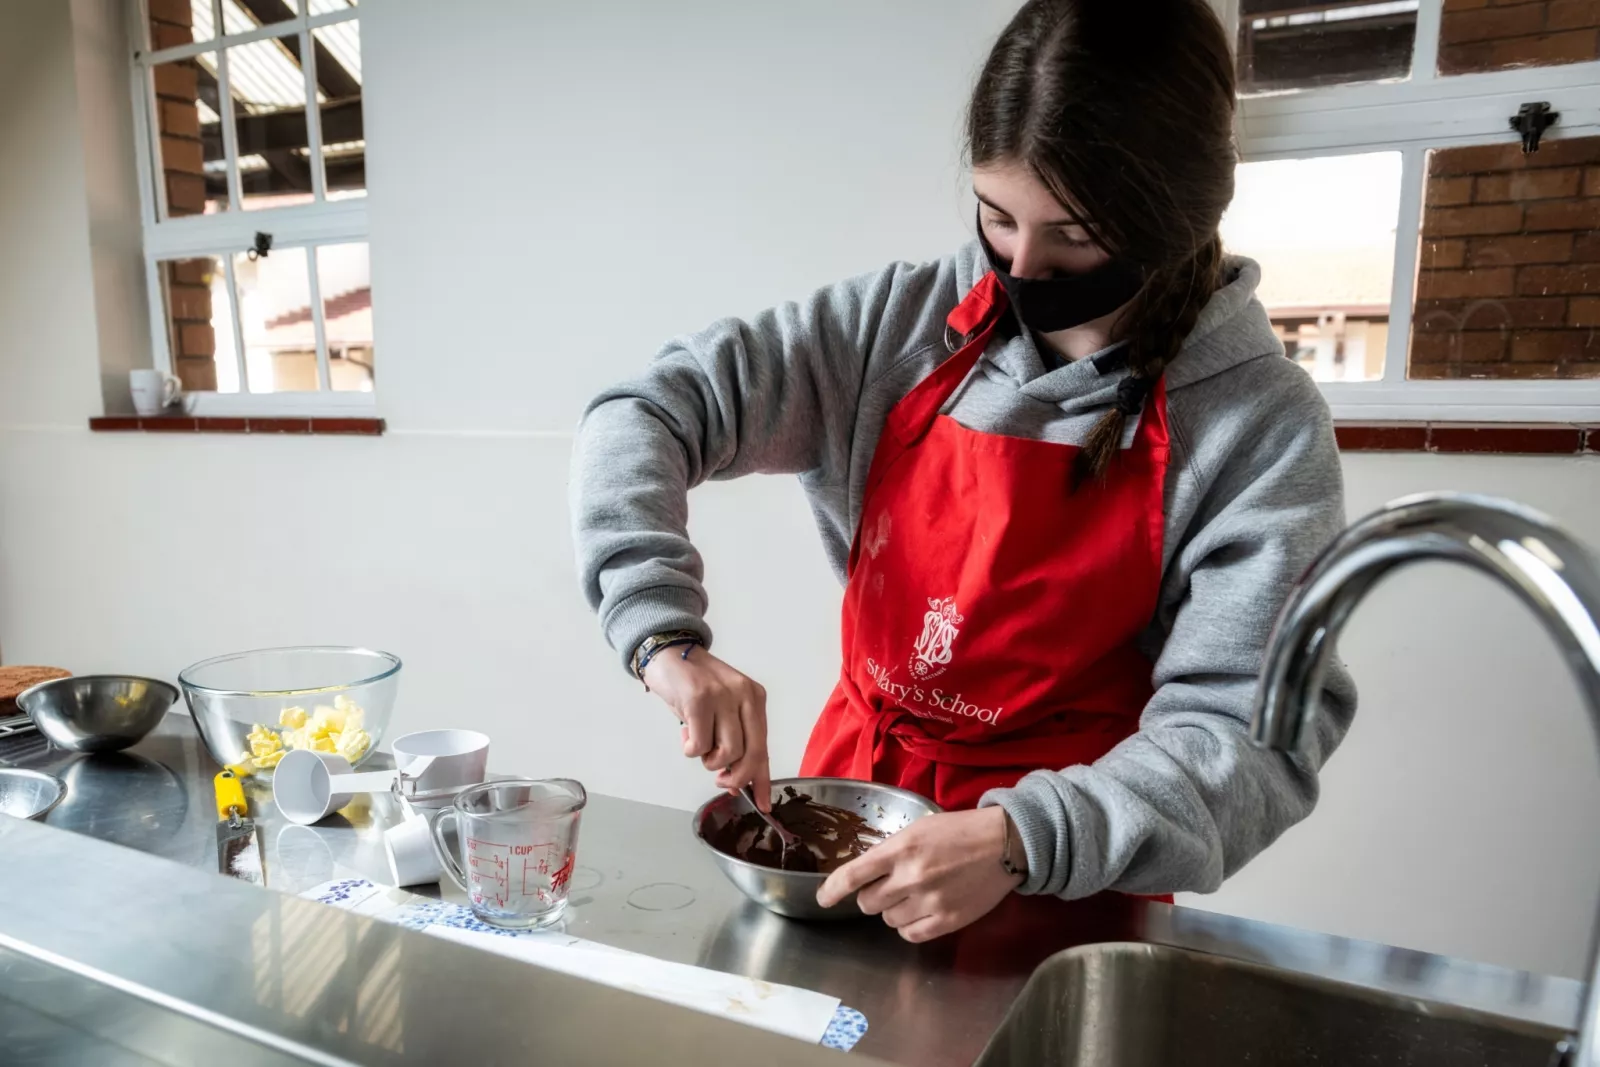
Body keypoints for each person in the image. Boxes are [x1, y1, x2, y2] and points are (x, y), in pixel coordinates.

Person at [571, 0, 1356, 943]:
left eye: (1076, 234)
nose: (1025, 267)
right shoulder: (891, 330)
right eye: (997, 217)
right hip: (844, 836)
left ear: (1181, 214)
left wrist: (1021, 836)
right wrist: (664, 640)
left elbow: (1250, 737)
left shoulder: (1256, 425)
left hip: (1069, 891)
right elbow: (644, 411)